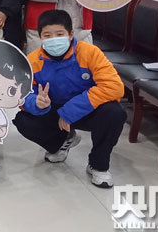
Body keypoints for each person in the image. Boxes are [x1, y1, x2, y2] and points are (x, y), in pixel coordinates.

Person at [12, 10, 125, 188]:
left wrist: (69, 112)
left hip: (86, 110)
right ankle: (63, 141)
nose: (53, 39)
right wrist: (37, 103)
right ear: (40, 37)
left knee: (115, 113)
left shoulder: (89, 52)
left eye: (59, 34)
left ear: (71, 34)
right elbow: (23, 95)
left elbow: (114, 87)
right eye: (47, 35)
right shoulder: (32, 61)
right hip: (54, 110)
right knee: (23, 120)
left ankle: (98, 165)